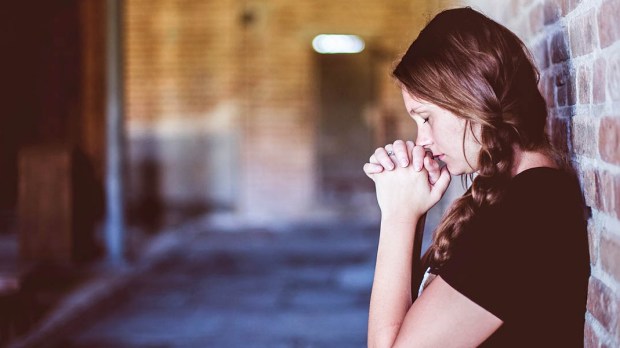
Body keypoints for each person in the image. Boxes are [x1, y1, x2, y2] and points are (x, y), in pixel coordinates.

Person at [363, 7, 590, 347]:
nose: (422, 139)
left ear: (471, 99)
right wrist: (414, 209)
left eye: (425, 118)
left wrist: (398, 216)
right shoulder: (513, 197)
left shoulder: (530, 212)